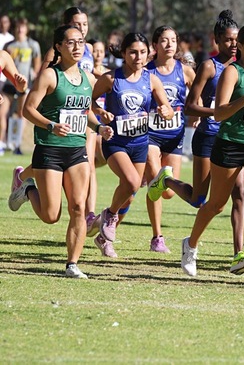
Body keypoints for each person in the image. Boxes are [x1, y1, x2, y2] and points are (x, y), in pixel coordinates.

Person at [156, 10, 244, 273]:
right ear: (216, 40)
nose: (233, 45)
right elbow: (190, 106)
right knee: (199, 199)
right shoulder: (210, 67)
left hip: (234, 138)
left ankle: (239, 255)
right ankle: (165, 180)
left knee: (240, 193)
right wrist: (219, 112)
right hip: (209, 136)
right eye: (227, 40)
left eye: (236, 39)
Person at [8, 25, 113, 278]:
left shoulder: (88, 79)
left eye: (81, 42)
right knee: (51, 215)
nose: (77, 48)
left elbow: (84, 111)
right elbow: (28, 110)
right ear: (58, 47)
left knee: (78, 207)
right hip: (49, 150)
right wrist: (51, 126)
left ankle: (72, 264)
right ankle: (27, 189)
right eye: (71, 43)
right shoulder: (49, 76)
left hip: (77, 150)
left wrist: (99, 128)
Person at [181, 24, 244, 277]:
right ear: (242, 46)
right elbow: (219, 113)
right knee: (215, 204)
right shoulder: (231, 73)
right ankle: (190, 245)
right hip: (231, 143)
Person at [91, 33, 173, 258]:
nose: (138, 57)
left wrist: (166, 111)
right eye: (133, 52)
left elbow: (167, 108)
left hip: (140, 143)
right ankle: (109, 214)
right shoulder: (111, 79)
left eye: (143, 52)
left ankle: (103, 235)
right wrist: (101, 112)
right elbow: (89, 102)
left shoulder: (151, 79)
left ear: (149, 54)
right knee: (131, 181)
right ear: (124, 53)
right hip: (114, 142)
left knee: (131, 192)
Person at [140, 26, 195, 253]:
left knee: (169, 191)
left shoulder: (185, 71)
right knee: (156, 182)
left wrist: (197, 114)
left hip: (174, 136)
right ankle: (157, 237)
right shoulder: (146, 71)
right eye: (164, 40)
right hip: (150, 134)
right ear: (155, 45)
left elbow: (198, 94)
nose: (169, 44)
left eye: (173, 40)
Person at [1, 18, 41, 155]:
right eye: (18, 27)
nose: (20, 30)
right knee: (3, 113)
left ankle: (16, 144)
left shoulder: (32, 45)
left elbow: (37, 64)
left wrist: (33, 78)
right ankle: (1, 143)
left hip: (22, 82)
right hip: (7, 84)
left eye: (22, 27)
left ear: (26, 29)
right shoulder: (8, 45)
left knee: (21, 115)